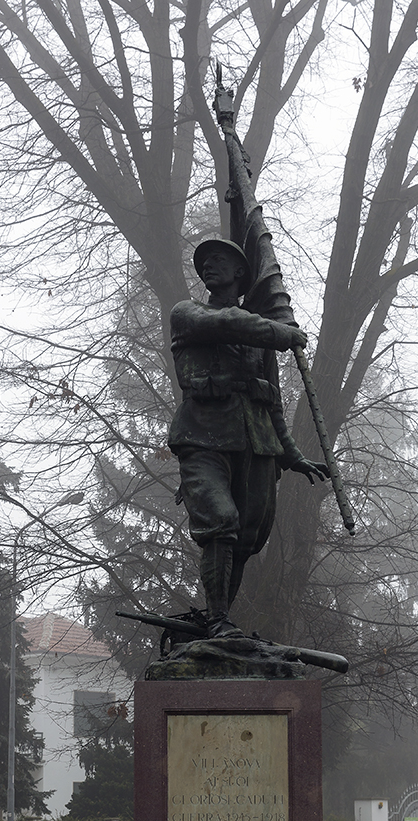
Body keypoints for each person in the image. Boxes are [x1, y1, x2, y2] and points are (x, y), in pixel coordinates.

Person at [168, 239, 328, 638]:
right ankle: (219, 619)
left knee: (247, 538)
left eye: (218, 260)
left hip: (256, 446)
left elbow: (271, 401)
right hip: (202, 439)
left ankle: (216, 620)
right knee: (220, 522)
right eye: (203, 263)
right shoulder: (188, 313)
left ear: (241, 272)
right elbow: (226, 323)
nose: (208, 267)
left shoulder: (262, 341)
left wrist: (291, 455)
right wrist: (280, 332)